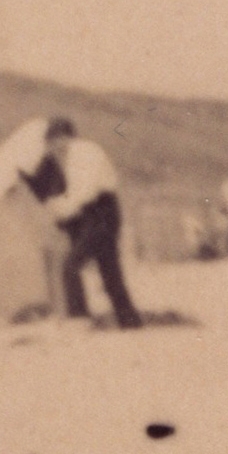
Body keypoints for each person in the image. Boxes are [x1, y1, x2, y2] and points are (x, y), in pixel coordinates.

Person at [23, 117, 142, 330]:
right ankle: (130, 320)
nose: (52, 149)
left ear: (61, 138)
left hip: (99, 212)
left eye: (52, 142)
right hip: (101, 212)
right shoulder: (76, 154)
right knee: (109, 271)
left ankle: (80, 319)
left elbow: (84, 193)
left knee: (71, 266)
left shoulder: (82, 153)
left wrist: (61, 210)